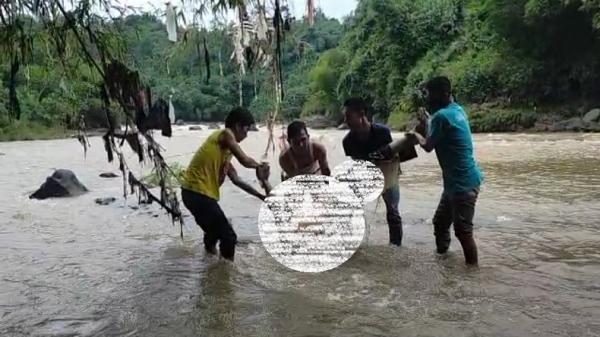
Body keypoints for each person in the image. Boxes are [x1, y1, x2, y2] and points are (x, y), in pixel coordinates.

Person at [407, 76, 484, 266]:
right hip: (460, 182)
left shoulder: (441, 116)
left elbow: (427, 145)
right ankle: (444, 262)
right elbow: (436, 135)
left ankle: (472, 274)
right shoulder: (457, 110)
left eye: (431, 95)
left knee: (463, 232)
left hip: (461, 185)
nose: (428, 99)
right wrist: (427, 124)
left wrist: (415, 134)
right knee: (440, 223)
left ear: (445, 94)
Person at [181, 107, 271, 261]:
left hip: (192, 194)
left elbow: (236, 180)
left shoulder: (225, 152)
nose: (246, 135)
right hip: (199, 193)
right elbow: (244, 159)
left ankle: (209, 265)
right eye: (246, 130)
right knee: (229, 236)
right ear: (237, 126)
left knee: (213, 232)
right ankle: (225, 276)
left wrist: (260, 196)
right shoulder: (225, 134)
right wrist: (259, 166)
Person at [342, 98, 404, 246]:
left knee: (393, 213)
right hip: (366, 174)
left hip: (388, 175)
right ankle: (354, 246)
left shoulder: (382, 132)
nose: (345, 120)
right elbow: (357, 164)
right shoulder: (347, 141)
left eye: (348, 116)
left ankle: (395, 248)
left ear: (361, 114)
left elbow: (394, 156)